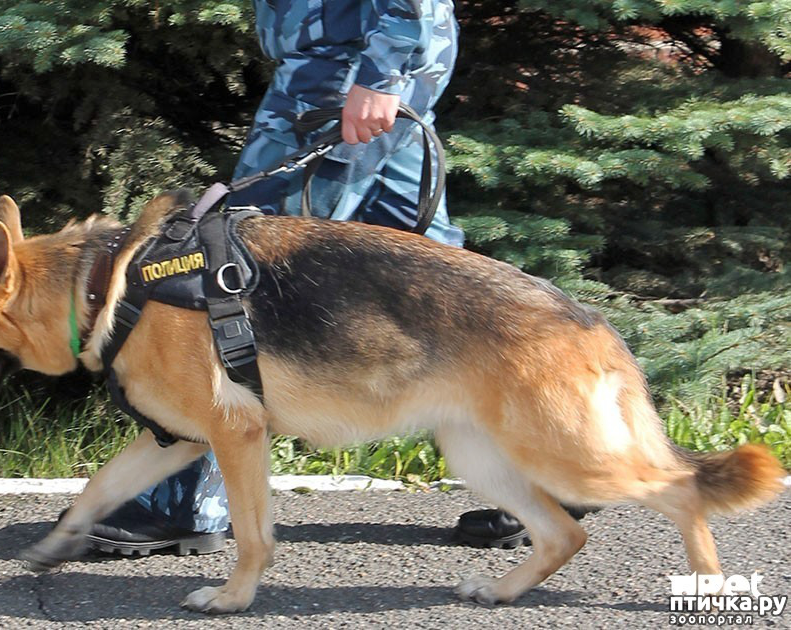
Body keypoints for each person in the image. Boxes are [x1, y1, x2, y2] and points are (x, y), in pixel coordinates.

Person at [85, 0, 587, 556]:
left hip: (345, 67)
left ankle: (182, 502)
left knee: (231, 269)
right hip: (367, 57)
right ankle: (557, 460)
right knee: (431, 275)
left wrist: (381, 74)